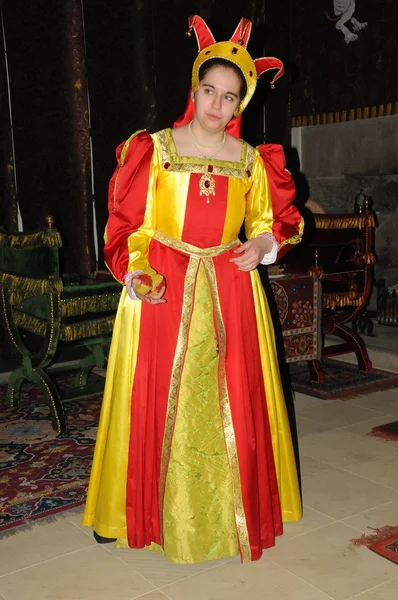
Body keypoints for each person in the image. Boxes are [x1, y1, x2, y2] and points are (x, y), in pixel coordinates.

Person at [83, 15, 304, 564]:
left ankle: (230, 512)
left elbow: (277, 221)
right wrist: (135, 270)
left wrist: (262, 246)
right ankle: (128, 510)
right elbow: (127, 224)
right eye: (210, 90)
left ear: (241, 103)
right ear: (195, 88)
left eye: (230, 97)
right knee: (155, 399)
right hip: (165, 285)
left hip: (231, 288)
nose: (217, 105)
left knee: (228, 398)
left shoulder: (253, 162)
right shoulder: (154, 149)